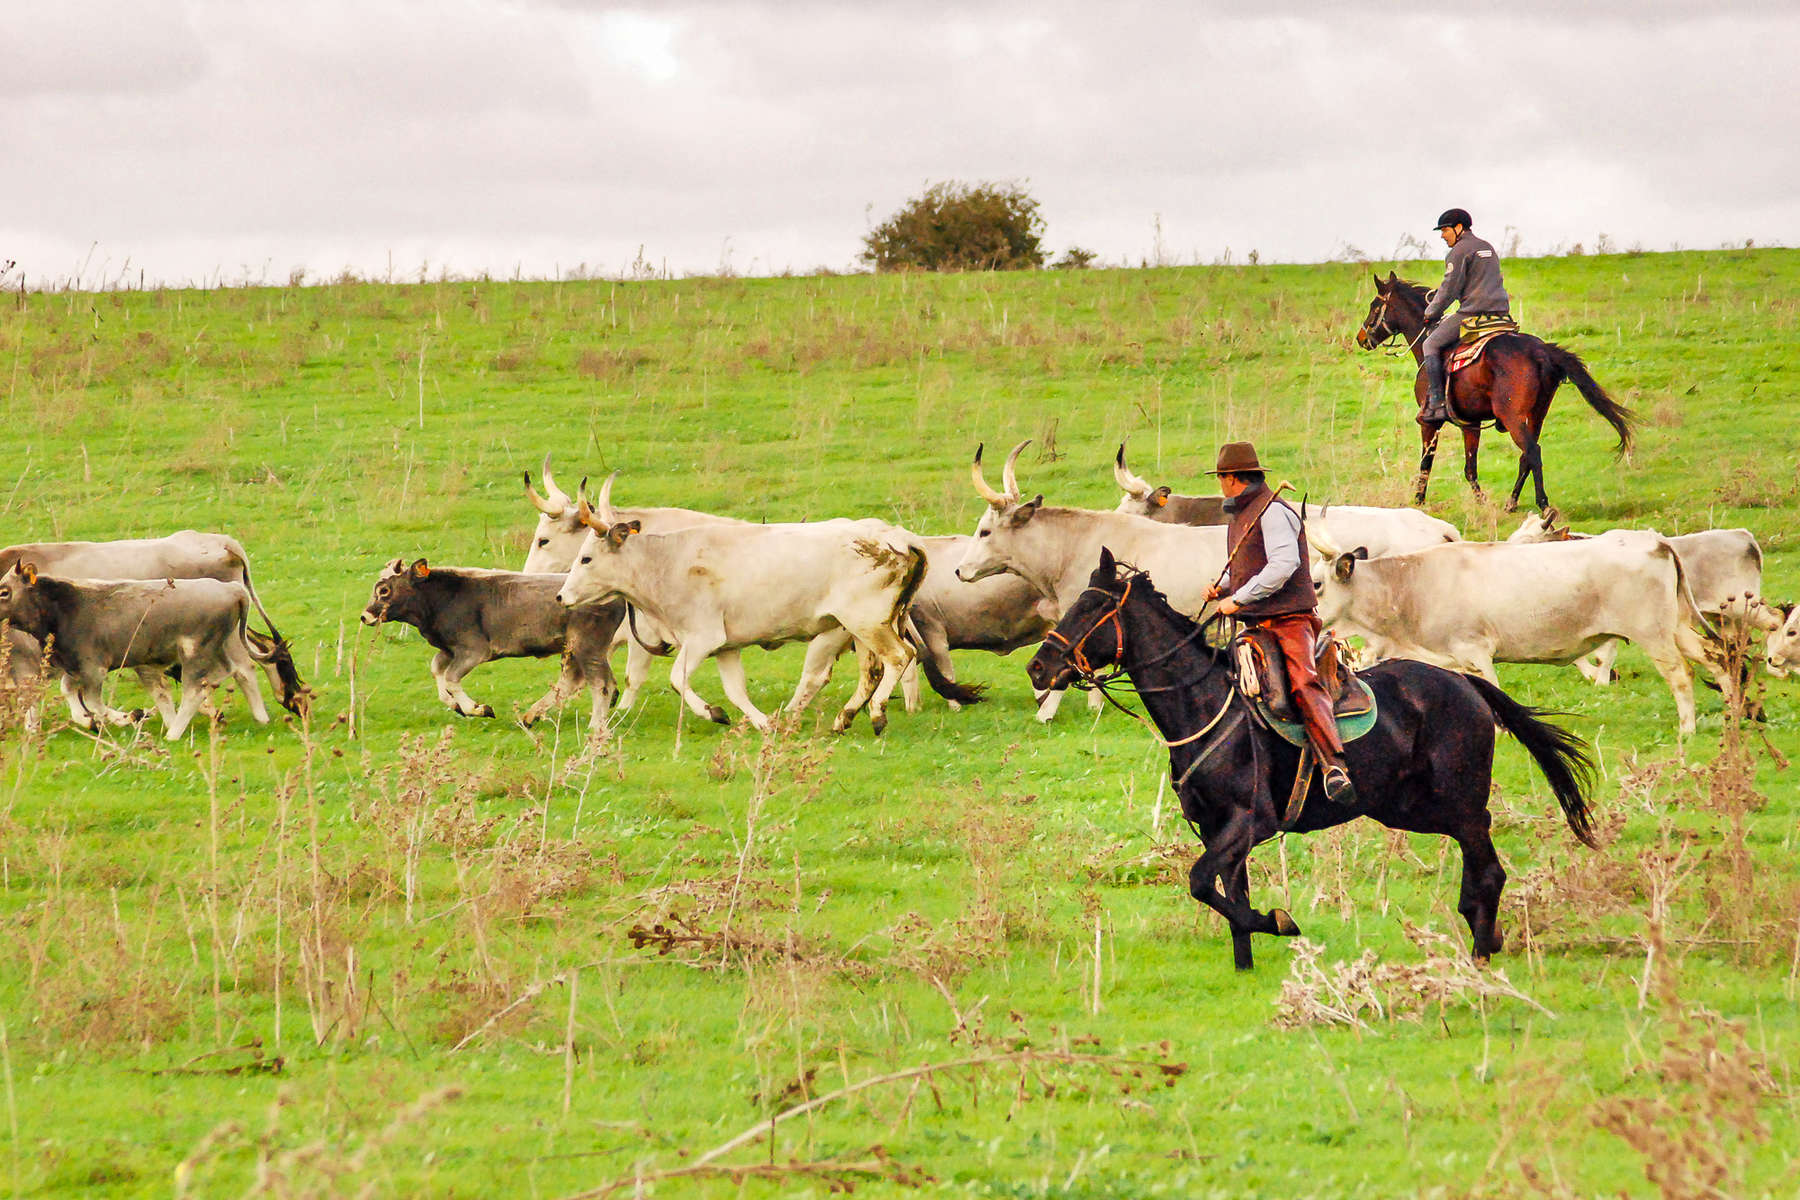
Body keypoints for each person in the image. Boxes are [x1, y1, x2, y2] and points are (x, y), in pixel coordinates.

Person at [1201, 441, 1356, 805]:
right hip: (1256, 623)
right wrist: (1223, 587)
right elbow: (1252, 567)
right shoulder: (1242, 514)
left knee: (1303, 682)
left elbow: (1282, 567)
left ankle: (1334, 766)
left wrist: (1236, 599)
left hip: (1289, 622)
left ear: (1234, 478)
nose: (1220, 484)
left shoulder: (1272, 513)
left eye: (1222, 477)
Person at [1419, 208, 1511, 424]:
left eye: (1445, 230)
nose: (1442, 235)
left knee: (1430, 345)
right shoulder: (1487, 247)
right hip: (1500, 314)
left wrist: (1431, 312)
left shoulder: (1458, 252)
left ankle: (1437, 404)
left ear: (1459, 228)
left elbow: (1449, 289)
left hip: (1473, 312)